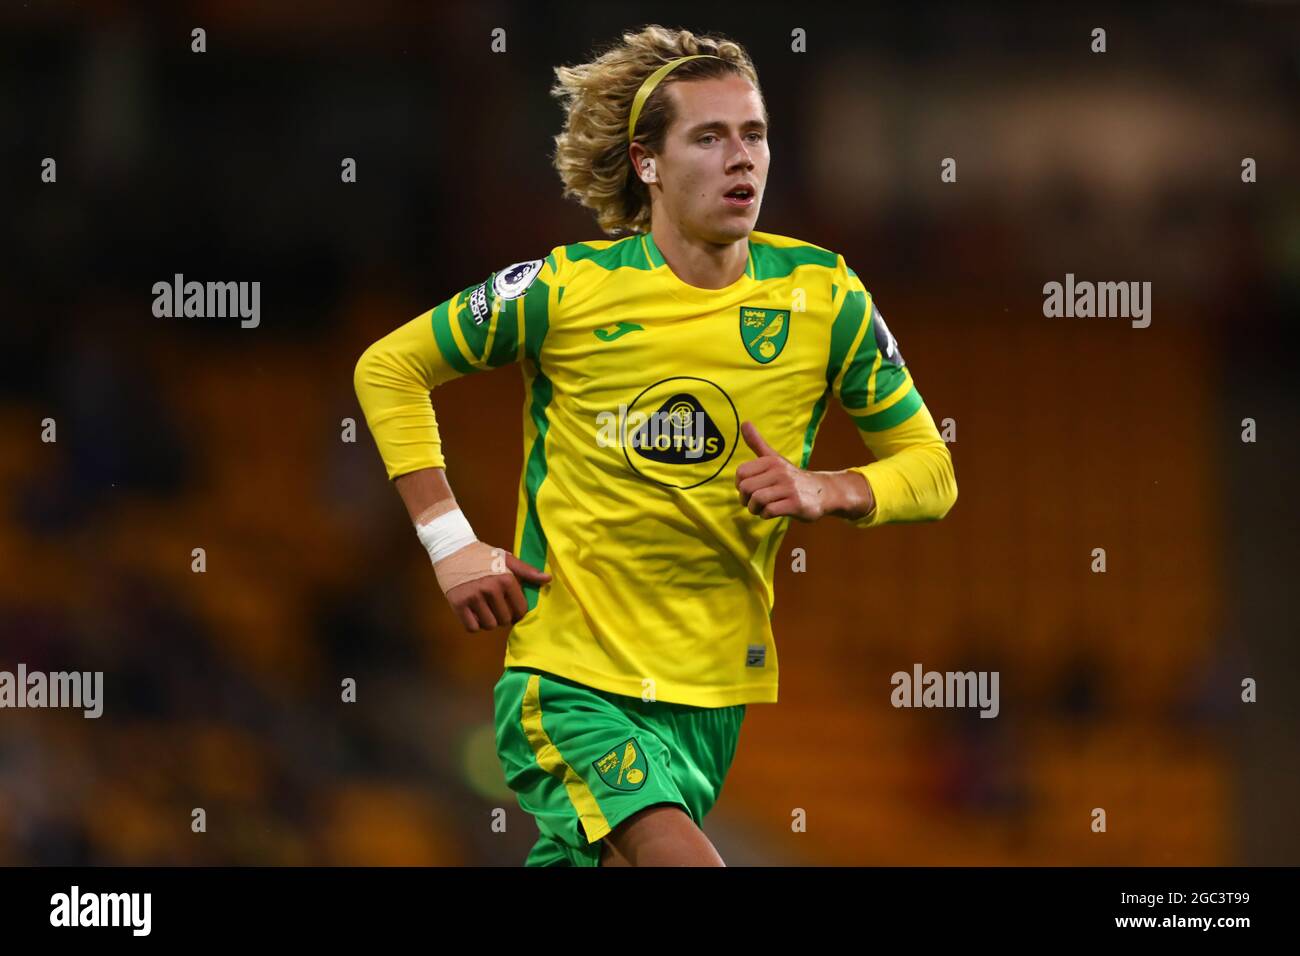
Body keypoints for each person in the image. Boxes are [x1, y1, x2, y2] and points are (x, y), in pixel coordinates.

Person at [353, 24, 957, 867]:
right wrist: (450, 542)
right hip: (570, 681)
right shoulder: (566, 289)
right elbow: (389, 368)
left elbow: (932, 472)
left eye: (755, 134)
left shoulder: (824, 295)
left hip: (711, 697)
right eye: (709, 138)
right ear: (648, 163)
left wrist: (829, 488)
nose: (741, 158)